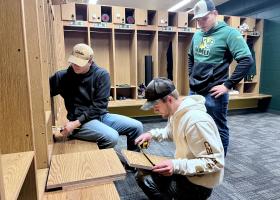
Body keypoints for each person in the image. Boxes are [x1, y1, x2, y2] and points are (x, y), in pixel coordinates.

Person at [135, 77, 224, 200]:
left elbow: (215, 162)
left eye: (156, 105)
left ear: (169, 100)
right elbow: (170, 132)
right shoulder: (176, 113)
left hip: (198, 184)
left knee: (146, 179)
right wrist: (151, 134)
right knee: (142, 173)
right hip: (185, 170)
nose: (154, 109)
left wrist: (175, 165)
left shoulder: (196, 121)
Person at [188, 0, 254, 155]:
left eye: (204, 18)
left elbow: (247, 60)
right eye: (198, 19)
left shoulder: (230, 33)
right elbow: (191, 57)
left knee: (218, 128)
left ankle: (218, 164)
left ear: (215, 14)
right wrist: (191, 76)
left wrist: (227, 85)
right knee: (197, 125)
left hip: (214, 93)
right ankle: (201, 157)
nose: (201, 23)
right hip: (195, 91)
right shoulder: (197, 35)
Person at [49, 43, 143, 151]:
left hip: (99, 116)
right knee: (112, 137)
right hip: (79, 122)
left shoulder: (101, 75)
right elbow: (44, 95)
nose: (75, 65)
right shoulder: (62, 77)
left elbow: (99, 107)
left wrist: (74, 124)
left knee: (137, 126)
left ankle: (132, 166)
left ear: (90, 61)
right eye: (73, 61)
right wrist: (72, 125)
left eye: (80, 63)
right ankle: (100, 163)